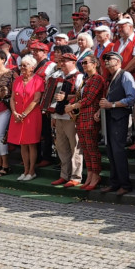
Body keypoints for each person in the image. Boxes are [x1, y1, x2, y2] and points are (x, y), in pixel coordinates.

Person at [65, 54, 105, 190]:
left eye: (86, 62)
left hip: (90, 116)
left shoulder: (97, 79)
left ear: (94, 64)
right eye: (82, 63)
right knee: (86, 149)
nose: (84, 65)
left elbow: (89, 99)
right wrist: (70, 104)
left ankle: (96, 175)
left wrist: (73, 106)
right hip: (82, 117)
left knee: (92, 148)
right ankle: (90, 174)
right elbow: (79, 96)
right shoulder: (86, 79)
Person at [99, 52, 135, 195]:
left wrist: (112, 105)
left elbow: (131, 98)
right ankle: (114, 182)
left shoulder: (125, 75)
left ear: (119, 61)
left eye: (110, 59)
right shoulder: (110, 77)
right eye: (105, 59)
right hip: (109, 117)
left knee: (118, 151)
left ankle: (125, 185)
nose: (107, 61)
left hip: (119, 118)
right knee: (110, 151)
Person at [7, 55, 44, 181]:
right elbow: (12, 98)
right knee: (22, 144)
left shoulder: (38, 80)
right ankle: (25, 170)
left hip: (31, 115)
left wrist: (24, 114)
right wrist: (14, 112)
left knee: (31, 144)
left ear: (32, 67)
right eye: (21, 65)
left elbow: (36, 100)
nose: (22, 67)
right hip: (17, 115)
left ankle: (32, 171)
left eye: (25, 65)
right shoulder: (17, 80)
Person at [50, 53, 84, 188]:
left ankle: (76, 176)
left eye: (65, 61)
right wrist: (53, 116)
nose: (62, 63)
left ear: (73, 62)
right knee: (62, 148)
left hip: (71, 116)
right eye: (61, 61)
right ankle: (64, 175)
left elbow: (81, 95)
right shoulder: (58, 77)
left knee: (75, 147)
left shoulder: (79, 76)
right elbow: (53, 98)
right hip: (59, 116)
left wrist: (65, 97)